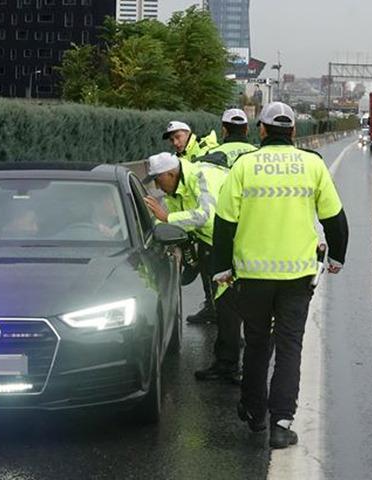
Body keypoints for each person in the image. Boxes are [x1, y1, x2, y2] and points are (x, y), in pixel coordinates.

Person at [212, 102, 349, 449]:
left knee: (257, 343)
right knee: (289, 347)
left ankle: (254, 412)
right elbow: (334, 218)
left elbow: (225, 222)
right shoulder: (311, 164)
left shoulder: (244, 166)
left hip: (252, 276)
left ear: (261, 130)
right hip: (297, 276)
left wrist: (223, 268)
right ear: (292, 132)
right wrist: (337, 257)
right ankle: (281, 423)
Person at [143, 152, 228, 325]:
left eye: (158, 180)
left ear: (171, 174)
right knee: (210, 276)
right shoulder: (174, 189)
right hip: (210, 239)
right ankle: (213, 311)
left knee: (230, 294)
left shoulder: (201, 176)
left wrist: (168, 219)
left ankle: (235, 338)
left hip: (232, 237)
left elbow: (206, 216)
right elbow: (165, 218)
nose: (157, 187)